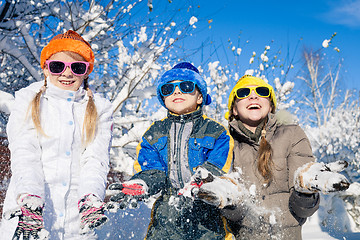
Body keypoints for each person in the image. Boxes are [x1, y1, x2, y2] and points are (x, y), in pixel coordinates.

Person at [195, 75, 349, 240]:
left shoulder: (292, 134)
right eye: (243, 92)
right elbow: (235, 218)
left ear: (270, 105)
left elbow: (303, 211)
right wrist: (229, 200)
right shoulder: (225, 142)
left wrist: (305, 190)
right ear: (234, 109)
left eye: (261, 91)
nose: (253, 96)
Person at [0, 30, 112, 239]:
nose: (67, 73)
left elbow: (95, 160)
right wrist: (30, 198)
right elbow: (25, 151)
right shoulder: (28, 100)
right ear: (45, 68)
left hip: (76, 223)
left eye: (77, 67)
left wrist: (90, 197)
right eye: (57, 66)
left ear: (86, 71)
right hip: (29, 216)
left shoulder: (100, 108)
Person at [108, 62, 234, 239]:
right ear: (163, 99)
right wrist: (143, 183)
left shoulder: (216, 132)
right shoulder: (154, 133)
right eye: (169, 88)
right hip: (167, 217)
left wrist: (203, 181)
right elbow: (151, 170)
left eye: (186, 86)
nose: (177, 91)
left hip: (207, 216)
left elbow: (218, 166)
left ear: (200, 97)